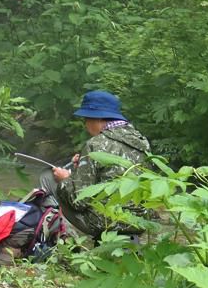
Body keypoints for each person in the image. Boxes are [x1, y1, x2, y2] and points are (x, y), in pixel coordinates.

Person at [40, 90, 151, 239]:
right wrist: (80, 167)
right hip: (139, 222)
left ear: (96, 118)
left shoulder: (96, 144)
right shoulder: (142, 142)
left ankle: (62, 241)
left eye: (86, 119)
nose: (86, 124)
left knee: (48, 177)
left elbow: (78, 201)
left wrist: (65, 179)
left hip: (105, 223)